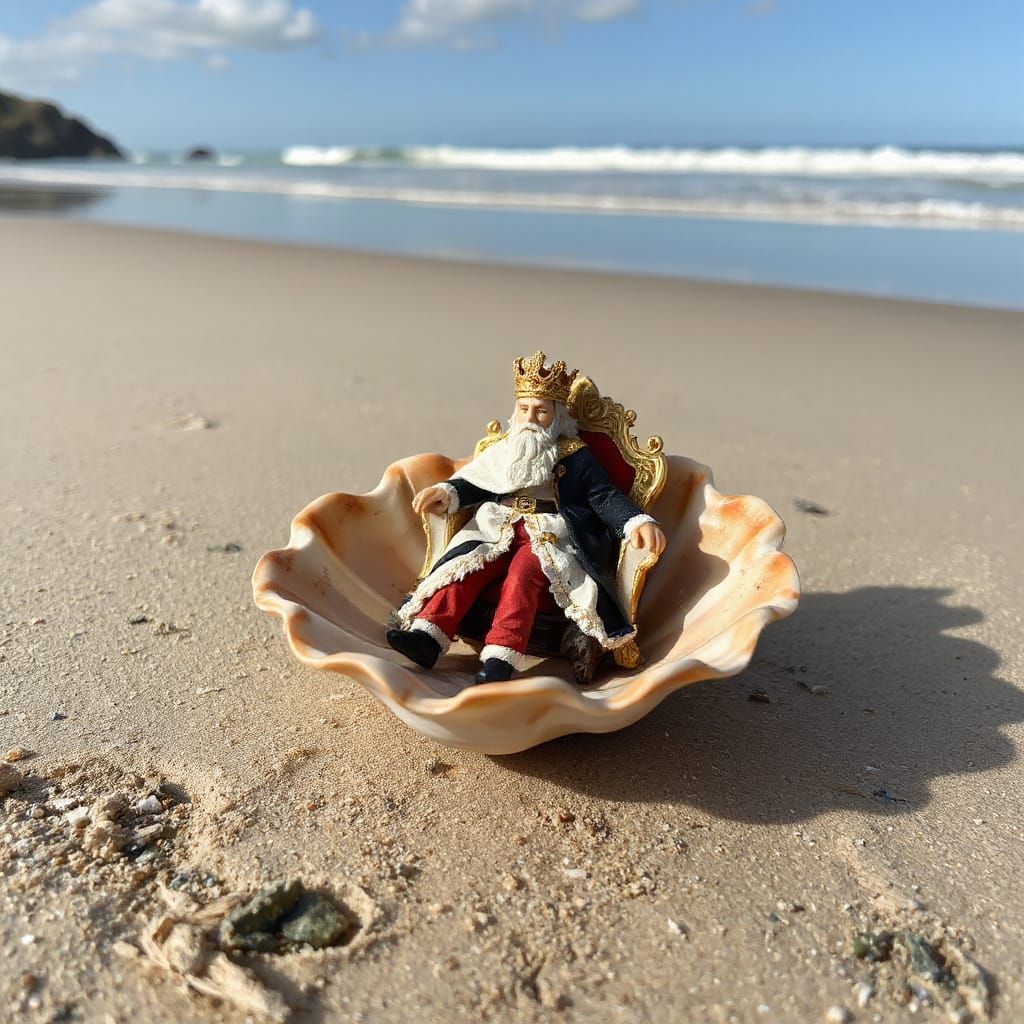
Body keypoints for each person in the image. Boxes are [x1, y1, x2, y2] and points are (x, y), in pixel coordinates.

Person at [387, 352, 666, 683]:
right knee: (468, 563)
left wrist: (636, 521)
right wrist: (448, 492)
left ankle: (500, 658)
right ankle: (428, 636)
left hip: (549, 534)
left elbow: (603, 495)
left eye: (541, 411)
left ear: (556, 415)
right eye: (524, 409)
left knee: (524, 574)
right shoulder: (507, 448)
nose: (531, 418)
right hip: (497, 525)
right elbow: (479, 480)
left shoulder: (575, 455)